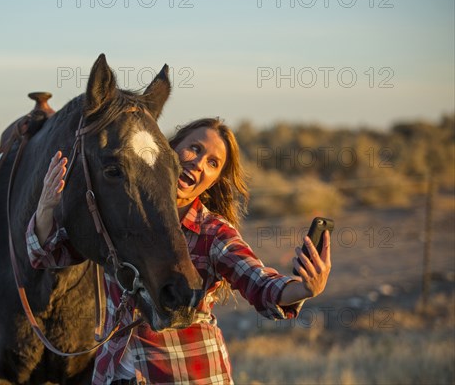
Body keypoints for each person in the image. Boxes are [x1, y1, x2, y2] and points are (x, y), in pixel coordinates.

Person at [26, 118, 331, 384]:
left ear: (214, 180)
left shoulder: (212, 232)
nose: (199, 163)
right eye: (194, 148)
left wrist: (304, 288)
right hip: (113, 373)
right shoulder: (121, 217)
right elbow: (49, 255)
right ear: (167, 152)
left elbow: (260, 283)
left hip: (186, 373)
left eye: (213, 163)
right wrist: (45, 208)